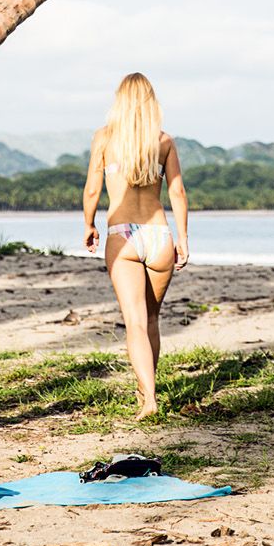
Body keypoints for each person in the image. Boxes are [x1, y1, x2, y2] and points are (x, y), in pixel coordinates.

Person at [82, 72, 189, 419]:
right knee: (153, 319)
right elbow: (177, 193)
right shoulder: (163, 141)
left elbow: (92, 191)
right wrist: (183, 237)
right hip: (159, 235)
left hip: (123, 235)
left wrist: (88, 224)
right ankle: (147, 390)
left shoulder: (104, 138)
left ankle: (149, 400)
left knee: (136, 323)